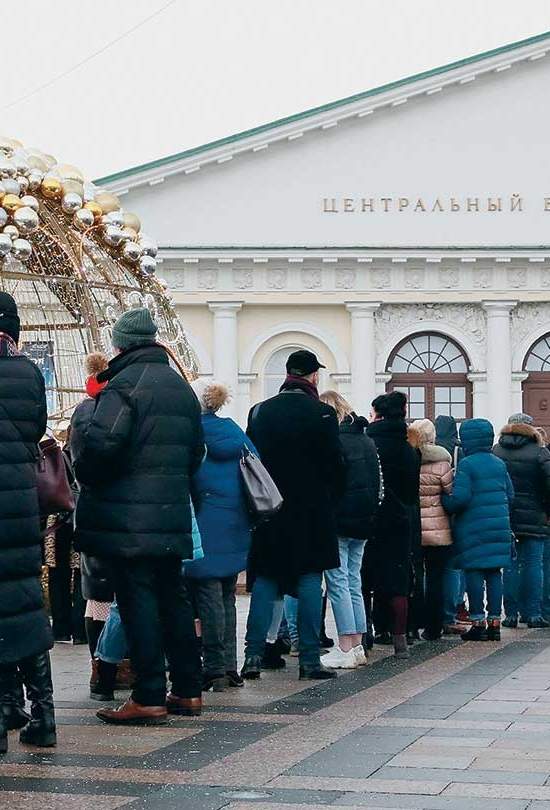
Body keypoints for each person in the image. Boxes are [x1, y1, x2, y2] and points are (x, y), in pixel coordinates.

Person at [73, 307, 205, 724]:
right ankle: (187, 690)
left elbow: (100, 448)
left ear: (121, 344)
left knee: (137, 602)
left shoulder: (124, 384)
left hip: (129, 520)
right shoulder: (181, 389)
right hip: (170, 514)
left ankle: (148, 694)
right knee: (175, 599)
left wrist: (90, 475)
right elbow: (195, 453)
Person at [242, 349, 346, 680]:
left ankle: (253, 656)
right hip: (312, 512)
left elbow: (250, 464)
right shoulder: (324, 416)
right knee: (309, 581)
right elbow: (336, 468)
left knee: (265, 581)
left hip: (269, 511)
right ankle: (310, 660)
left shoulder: (259, 413)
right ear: (313, 377)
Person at [0, 292, 56, 752]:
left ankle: (2, 717)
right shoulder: (29, 372)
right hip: (20, 502)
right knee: (24, 603)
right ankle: (45, 714)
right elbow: (35, 429)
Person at [185, 379, 256, 691]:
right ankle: (229, 665)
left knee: (208, 595)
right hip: (235, 520)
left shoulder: (192, 435)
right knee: (227, 594)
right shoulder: (235, 433)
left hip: (204, 522)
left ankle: (214, 668)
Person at [319, 391, 381, 669]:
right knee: (353, 581)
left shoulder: (334, 442)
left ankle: (346, 644)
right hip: (364, 519)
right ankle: (357, 644)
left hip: (339, 519)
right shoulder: (366, 439)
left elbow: (330, 483)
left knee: (337, 581)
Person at [68, 352, 118, 700]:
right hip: (114, 513)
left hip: (89, 511)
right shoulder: (111, 409)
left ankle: (99, 667)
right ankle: (110, 665)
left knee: (98, 594)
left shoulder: (82, 411)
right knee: (116, 596)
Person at [442, 419, 514, 641]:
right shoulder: (498, 463)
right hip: (499, 526)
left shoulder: (467, 464)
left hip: (473, 528)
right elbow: (510, 495)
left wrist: (445, 500)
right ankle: (494, 623)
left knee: (474, 573)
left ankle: (478, 622)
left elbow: (460, 499)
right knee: (494, 574)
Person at [367, 391, 421, 659]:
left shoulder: (369, 443)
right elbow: (412, 491)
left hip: (370, 519)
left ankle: (365, 634)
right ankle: (400, 640)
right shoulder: (409, 449)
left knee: (363, 579)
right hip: (400, 519)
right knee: (398, 581)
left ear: (377, 414)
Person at [494, 413, 550, 629]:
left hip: (506, 515)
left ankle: (510, 614)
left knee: (509, 566)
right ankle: (533, 613)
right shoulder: (540, 452)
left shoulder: (497, 451)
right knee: (534, 565)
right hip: (535, 515)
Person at [410, 419, 454, 641]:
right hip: (438, 529)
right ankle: (434, 626)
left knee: (415, 577)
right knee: (436, 578)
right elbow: (451, 493)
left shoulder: (409, 459)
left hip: (414, 528)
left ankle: (413, 623)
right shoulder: (443, 463)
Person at [435, 415, 468, 634]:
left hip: (431, 516)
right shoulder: (460, 451)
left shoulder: (432, 451)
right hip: (455, 514)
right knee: (456, 566)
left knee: (434, 567)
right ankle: (455, 608)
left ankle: (435, 611)